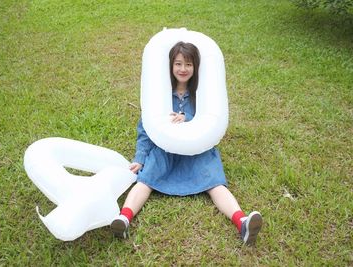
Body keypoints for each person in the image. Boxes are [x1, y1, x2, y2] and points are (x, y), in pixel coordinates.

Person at [111, 41, 262, 246]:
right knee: (145, 179)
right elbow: (145, 129)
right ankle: (124, 218)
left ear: (195, 67)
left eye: (188, 64)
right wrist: (140, 157)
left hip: (196, 149)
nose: (183, 69)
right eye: (178, 64)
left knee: (214, 181)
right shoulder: (160, 95)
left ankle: (242, 222)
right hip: (166, 150)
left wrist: (188, 118)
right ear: (171, 66)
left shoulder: (201, 94)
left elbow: (211, 120)